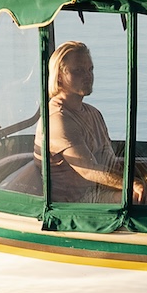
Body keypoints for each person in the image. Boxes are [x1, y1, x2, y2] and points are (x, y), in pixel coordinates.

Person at [42, 40, 132, 204]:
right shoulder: (57, 119)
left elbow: (109, 161)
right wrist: (132, 186)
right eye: (78, 71)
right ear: (60, 77)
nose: (88, 75)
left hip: (97, 189)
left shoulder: (93, 113)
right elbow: (89, 170)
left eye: (90, 69)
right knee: (140, 199)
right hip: (75, 203)